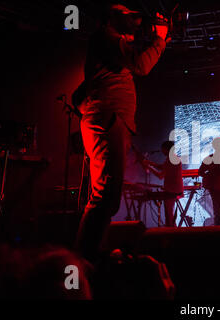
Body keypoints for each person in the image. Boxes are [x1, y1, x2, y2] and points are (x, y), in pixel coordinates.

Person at [74, 4, 168, 262]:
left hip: (108, 120)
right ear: (110, 19)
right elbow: (141, 65)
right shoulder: (107, 38)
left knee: (106, 195)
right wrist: (159, 40)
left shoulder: (109, 46)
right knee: (105, 194)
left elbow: (78, 96)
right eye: (126, 18)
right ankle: (86, 260)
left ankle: (90, 256)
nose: (132, 23)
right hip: (109, 120)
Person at [142, 141, 184, 227]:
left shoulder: (171, 160)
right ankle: (171, 229)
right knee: (170, 214)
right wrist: (150, 163)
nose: (162, 151)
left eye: (163, 149)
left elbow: (160, 176)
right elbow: (162, 167)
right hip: (174, 189)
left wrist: (149, 167)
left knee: (169, 215)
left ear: (166, 149)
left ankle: (171, 232)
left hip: (172, 190)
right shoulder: (172, 158)